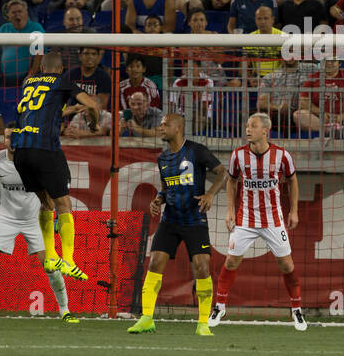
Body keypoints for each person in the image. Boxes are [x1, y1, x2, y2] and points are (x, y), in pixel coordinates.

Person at [127, 111, 228, 335]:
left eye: (165, 125)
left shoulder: (196, 151)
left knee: (202, 267)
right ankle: (146, 318)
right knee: (154, 263)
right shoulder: (162, 158)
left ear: (178, 128)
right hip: (170, 219)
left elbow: (223, 172)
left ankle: (203, 323)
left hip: (195, 219)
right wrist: (158, 199)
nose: (161, 128)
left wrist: (210, 193)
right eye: (161, 125)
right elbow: (166, 188)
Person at [0, 133, 77, 322]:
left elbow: (54, 188)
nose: (13, 141)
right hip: (5, 217)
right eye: (9, 137)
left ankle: (65, 310)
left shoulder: (37, 160)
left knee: (50, 265)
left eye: (17, 137)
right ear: (3, 139)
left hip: (35, 219)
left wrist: (56, 215)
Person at [209, 112, 306, 330]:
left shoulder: (282, 156)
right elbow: (232, 182)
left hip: (274, 219)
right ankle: (220, 306)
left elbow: (292, 180)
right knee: (231, 261)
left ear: (265, 130)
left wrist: (294, 211)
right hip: (245, 219)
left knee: (286, 264)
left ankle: (296, 309)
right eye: (247, 126)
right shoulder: (238, 155)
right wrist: (230, 211)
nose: (248, 130)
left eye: (253, 126)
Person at [8, 51, 97, 282]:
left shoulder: (29, 82)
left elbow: (34, 109)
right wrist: (94, 123)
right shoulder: (62, 81)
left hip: (21, 152)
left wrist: (67, 111)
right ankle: (68, 260)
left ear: (42, 69)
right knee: (63, 204)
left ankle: (50, 257)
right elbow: (92, 104)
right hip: (45, 149)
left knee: (45, 203)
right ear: (60, 69)